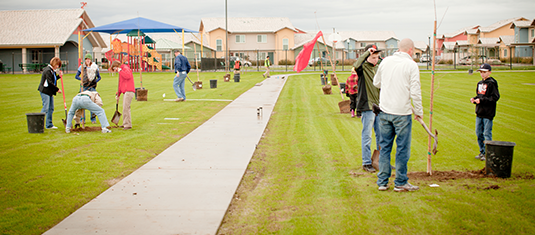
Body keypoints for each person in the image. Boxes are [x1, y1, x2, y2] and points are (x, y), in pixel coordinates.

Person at [373, 38, 423, 192]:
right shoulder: (411, 65)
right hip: (402, 113)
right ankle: (400, 182)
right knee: (402, 148)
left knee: (385, 147)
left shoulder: (386, 61)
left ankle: (382, 182)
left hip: (385, 111)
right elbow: (415, 91)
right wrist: (419, 112)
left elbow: (377, 83)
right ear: (411, 50)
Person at [353, 44, 382, 173]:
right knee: (367, 135)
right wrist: (366, 53)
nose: (375, 60)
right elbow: (356, 64)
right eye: (373, 57)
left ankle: (381, 161)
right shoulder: (362, 68)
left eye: (377, 57)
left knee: (382, 136)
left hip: (380, 107)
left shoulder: (379, 68)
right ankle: (366, 162)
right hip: (367, 107)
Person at [470, 63, 500, 161]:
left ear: (489, 72)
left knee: (487, 133)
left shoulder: (492, 83)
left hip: (488, 113)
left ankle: (488, 153)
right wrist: (475, 99)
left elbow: (495, 97)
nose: (482, 74)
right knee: (478, 133)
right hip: (479, 112)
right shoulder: (479, 83)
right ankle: (482, 151)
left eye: (484, 72)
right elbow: (480, 96)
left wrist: (482, 101)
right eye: (481, 72)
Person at [74, 53, 102, 125]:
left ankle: (93, 118)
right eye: (86, 59)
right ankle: (82, 119)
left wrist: (95, 81)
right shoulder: (82, 67)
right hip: (84, 87)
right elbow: (76, 76)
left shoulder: (94, 67)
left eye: (89, 59)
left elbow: (99, 77)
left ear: (91, 60)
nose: (88, 61)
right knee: (82, 103)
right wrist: (82, 80)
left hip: (92, 87)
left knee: (94, 102)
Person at [37, 57, 63, 129]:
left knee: (51, 108)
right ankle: (39, 124)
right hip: (45, 91)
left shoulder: (52, 71)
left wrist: (59, 77)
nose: (57, 67)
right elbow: (50, 82)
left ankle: (49, 125)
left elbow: (53, 79)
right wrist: (57, 89)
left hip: (50, 92)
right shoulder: (47, 70)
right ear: (54, 64)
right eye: (57, 65)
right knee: (46, 108)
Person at [110, 60, 135, 130]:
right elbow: (120, 84)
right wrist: (118, 94)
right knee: (125, 107)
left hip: (129, 90)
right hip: (125, 91)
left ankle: (127, 125)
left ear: (116, 67)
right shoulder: (121, 71)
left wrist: (120, 71)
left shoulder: (125, 68)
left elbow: (128, 76)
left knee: (126, 107)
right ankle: (125, 123)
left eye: (114, 69)